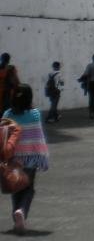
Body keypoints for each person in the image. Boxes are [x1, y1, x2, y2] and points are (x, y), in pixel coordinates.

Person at [2, 84, 50, 235]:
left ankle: (17, 217)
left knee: (15, 187)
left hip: (12, 158)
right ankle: (21, 211)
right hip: (30, 158)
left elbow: (3, 137)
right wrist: (41, 157)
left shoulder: (7, 114)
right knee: (28, 188)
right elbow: (38, 138)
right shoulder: (35, 114)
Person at [80, 54, 94, 120]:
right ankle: (93, 112)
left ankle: (91, 112)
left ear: (93, 58)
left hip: (91, 83)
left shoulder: (89, 65)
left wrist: (80, 79)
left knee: (91, 97)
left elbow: (86, 74)